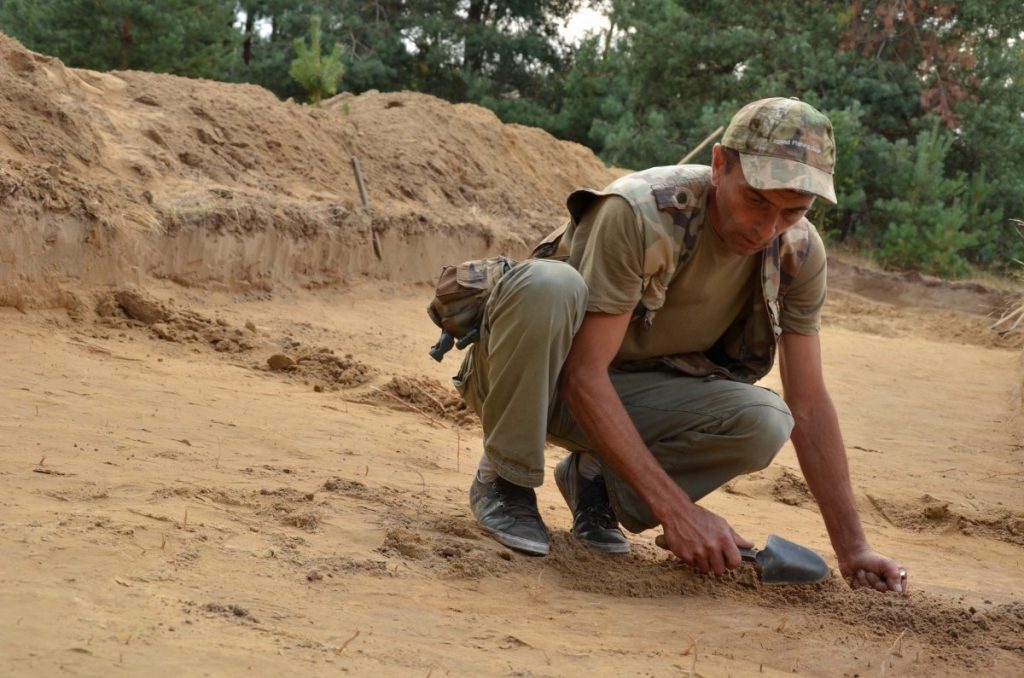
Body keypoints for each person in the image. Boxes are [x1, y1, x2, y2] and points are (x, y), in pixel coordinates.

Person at [453, 97, 907, 593]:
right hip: (525, 381)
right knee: (549, 286)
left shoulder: (798, 253)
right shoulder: (640, 212)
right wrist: (679, 512)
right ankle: (506, 474)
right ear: (719, 165)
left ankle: (596, 483)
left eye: (793, 211)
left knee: (766, 419)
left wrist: (853, 548)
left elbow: (810, 404)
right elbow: (583, 374)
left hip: (624, 400)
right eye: (756, 200)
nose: (767, 227)